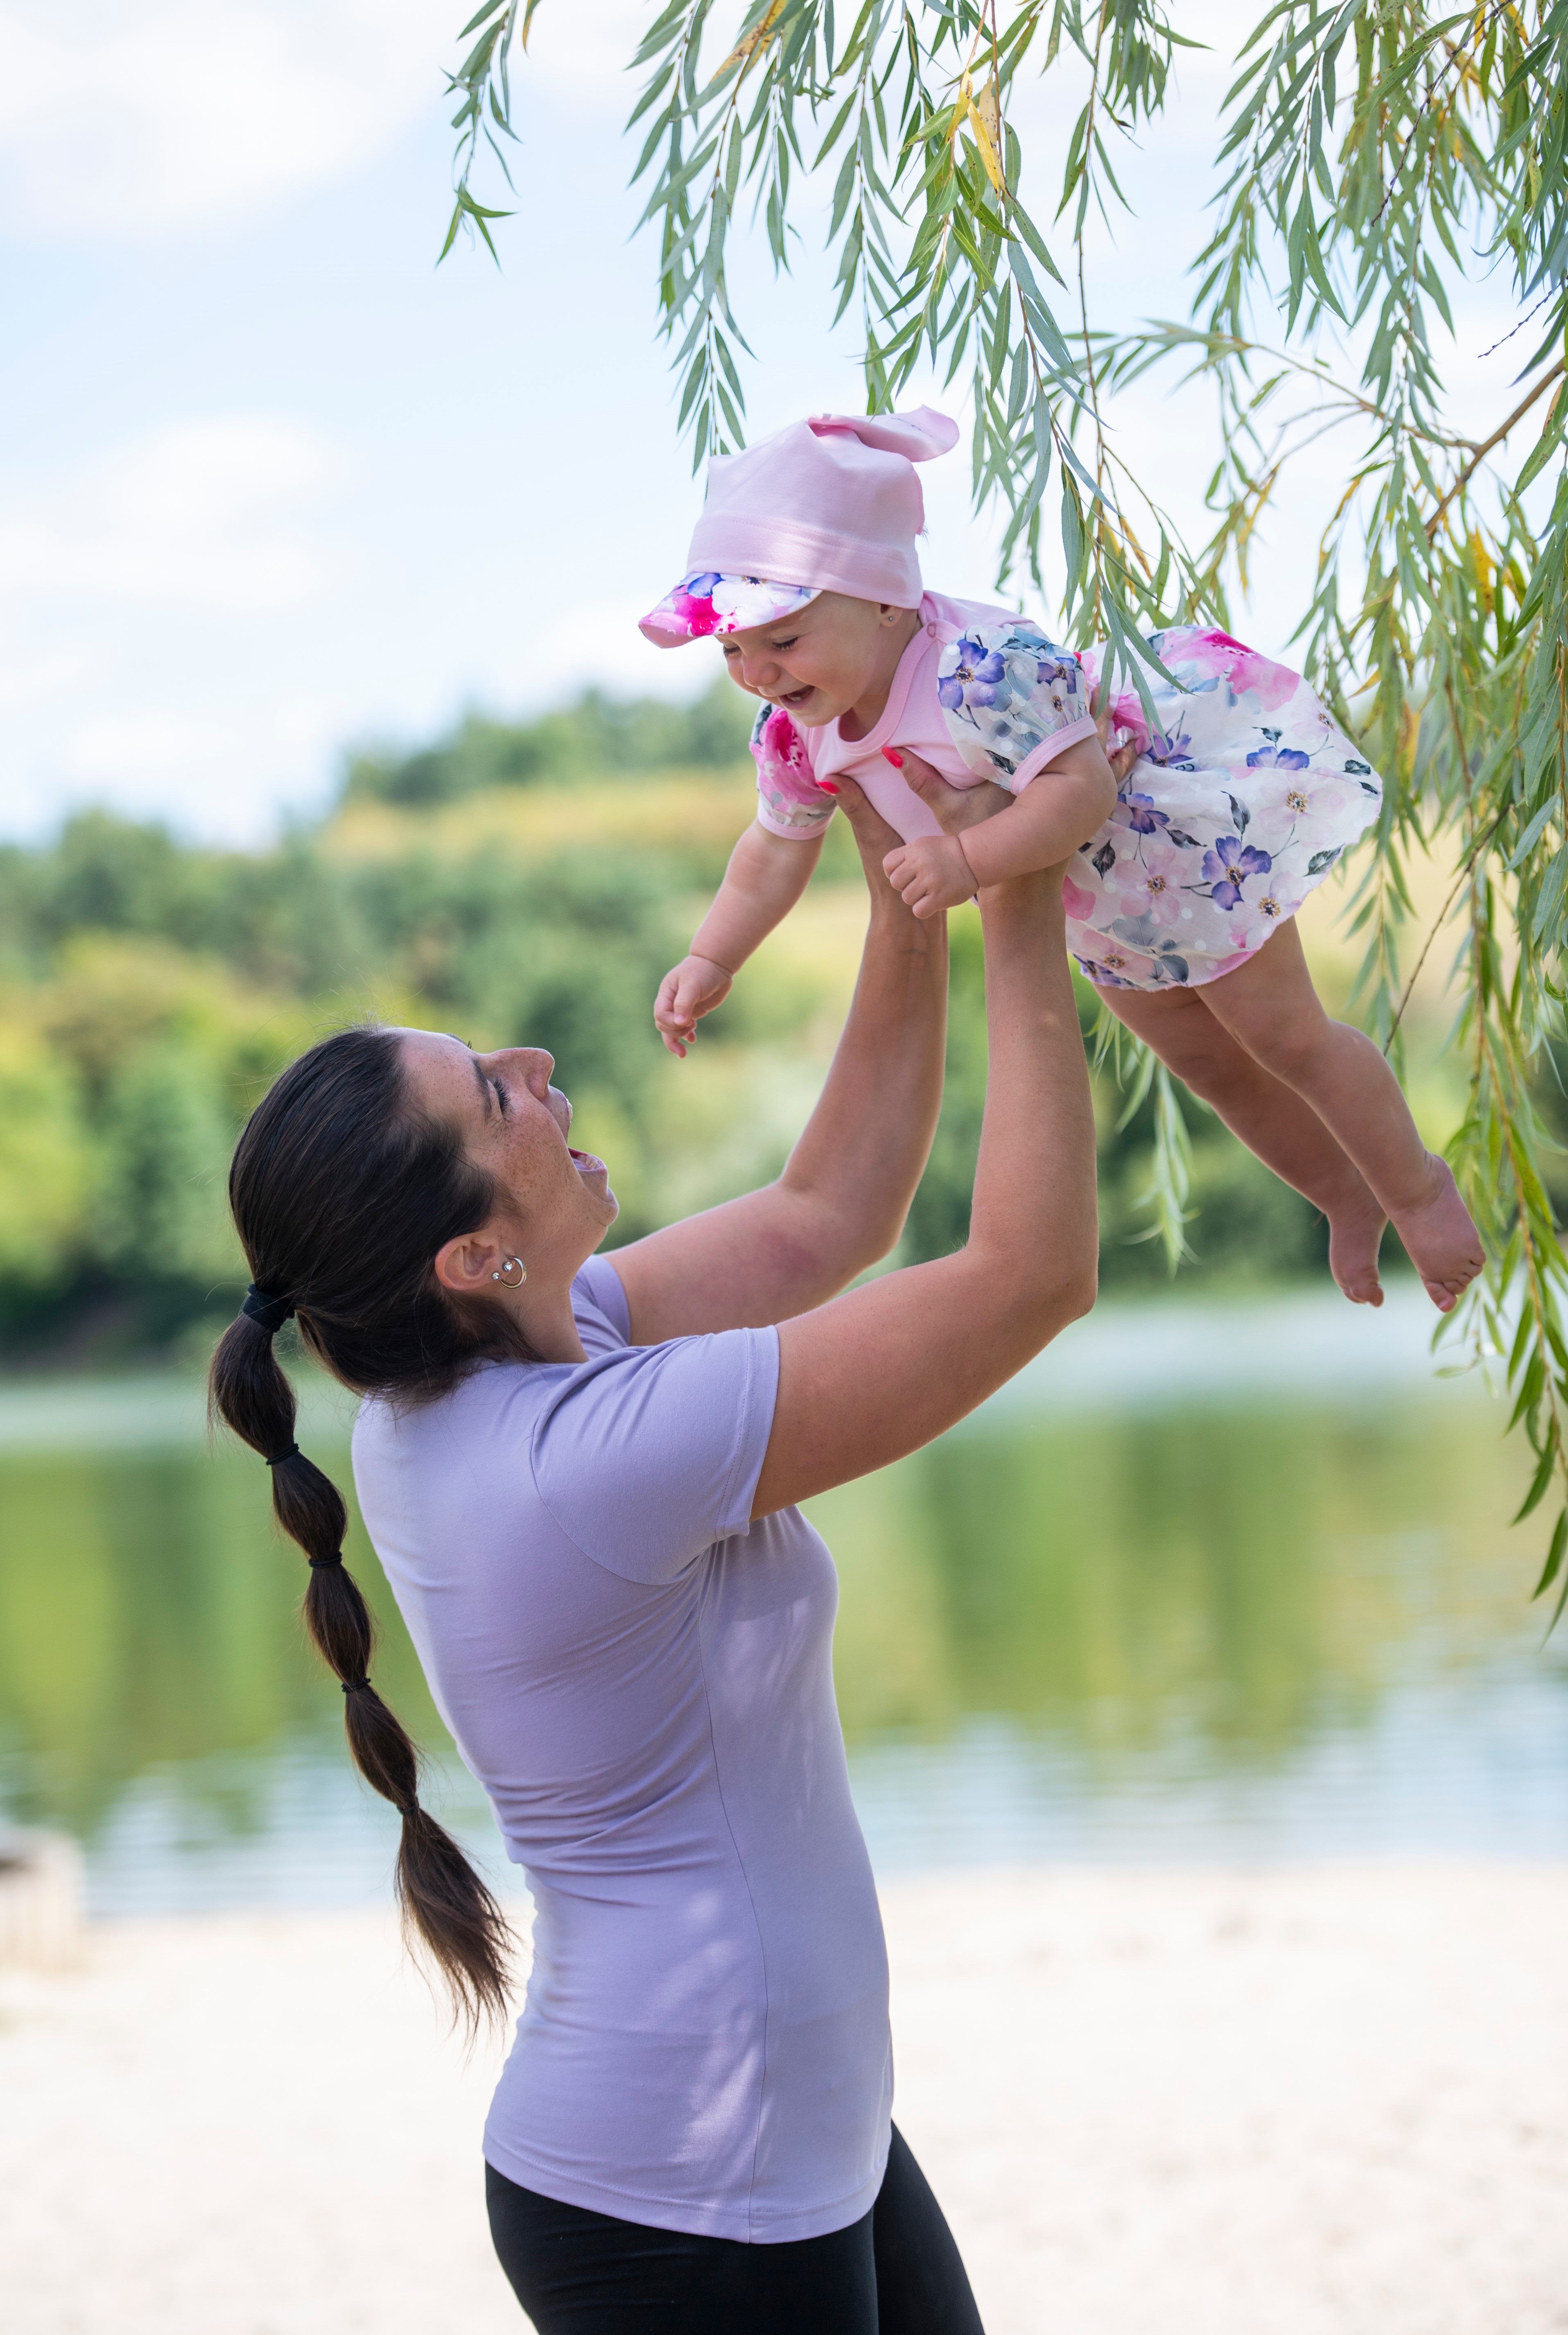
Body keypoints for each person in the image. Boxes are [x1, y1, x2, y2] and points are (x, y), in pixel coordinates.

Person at [208, 768, 1098, 2333]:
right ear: (473, 1255)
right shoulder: (590, 1459)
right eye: (493, 1092)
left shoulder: (502, 1372)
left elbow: (833, 1207)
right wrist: (1024, 894)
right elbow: (1030, 1275)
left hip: (783, 2139)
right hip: (682, 2195)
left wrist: (907, 860)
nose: (537, 1063)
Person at [643, 407, 1484, 1315]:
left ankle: (1418, 1190)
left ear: (883, 596)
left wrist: (968, 858)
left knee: (1283, 1037)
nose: (759, 671)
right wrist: (711, 955)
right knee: (1209, 1068)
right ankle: (1343, 1197)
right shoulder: (794, 736)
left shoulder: (977, 669)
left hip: (1168, 849)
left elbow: (1080, 791)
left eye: (782, 638)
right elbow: (770, 850)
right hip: (1089, 908)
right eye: (732, 648)